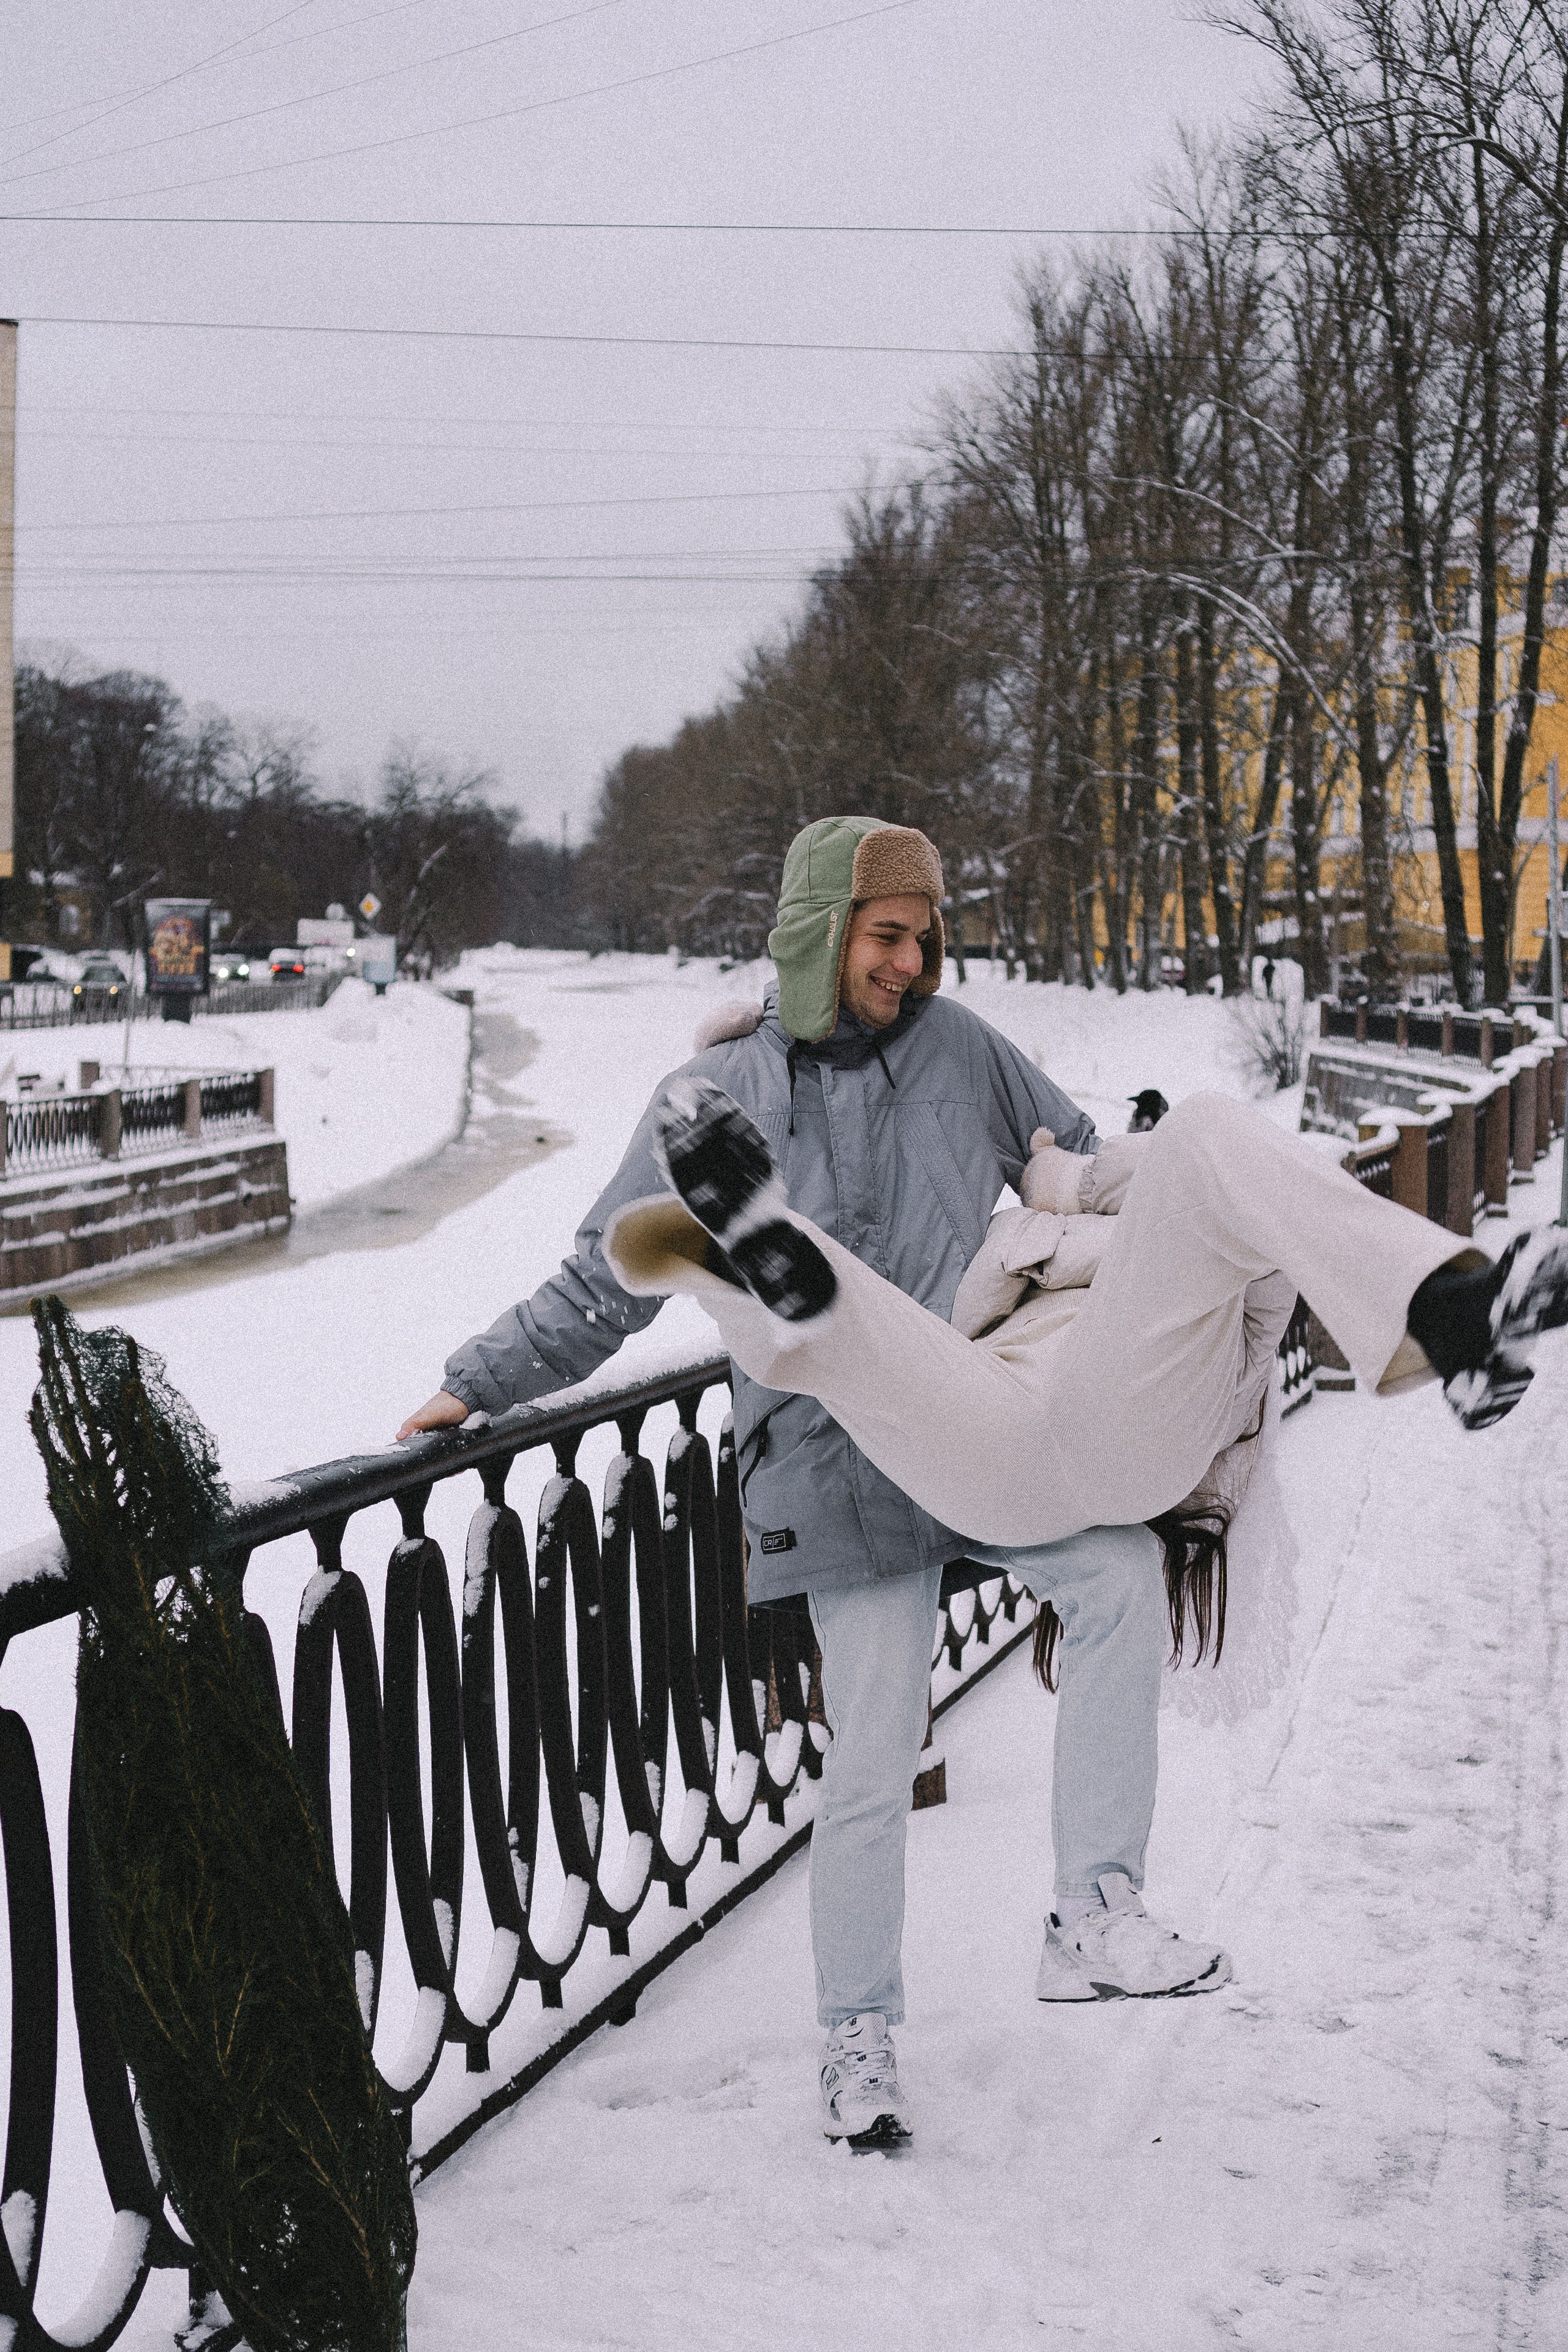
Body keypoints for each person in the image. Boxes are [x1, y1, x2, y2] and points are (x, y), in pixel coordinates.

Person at [398, 816, 1232, 2154]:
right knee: (871, 1753)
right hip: (831, 1464)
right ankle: (857, 2036)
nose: (910, 962)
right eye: (885, 935)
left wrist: (1199, 1181)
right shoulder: (725, 1087)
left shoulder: (963, 1054)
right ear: (815, 930)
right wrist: (478, 1381)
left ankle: (1093, 1909)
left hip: (974, 1427)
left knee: (1116, 1575)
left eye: (923, 937)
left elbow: (1080, 1173)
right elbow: (614, 1272)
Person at [601, 1074, 1568, 1571]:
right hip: (992, 1438)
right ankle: (748, 1260)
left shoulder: (1189, 1233)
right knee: (872, 1337)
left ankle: (1453, 1314)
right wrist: (1059, 1205)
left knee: (1207, 1127)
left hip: (1138, 1426)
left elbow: (1214, 1210)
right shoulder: (1040, 1232)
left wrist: (1071, 1186)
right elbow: (967, 1313)